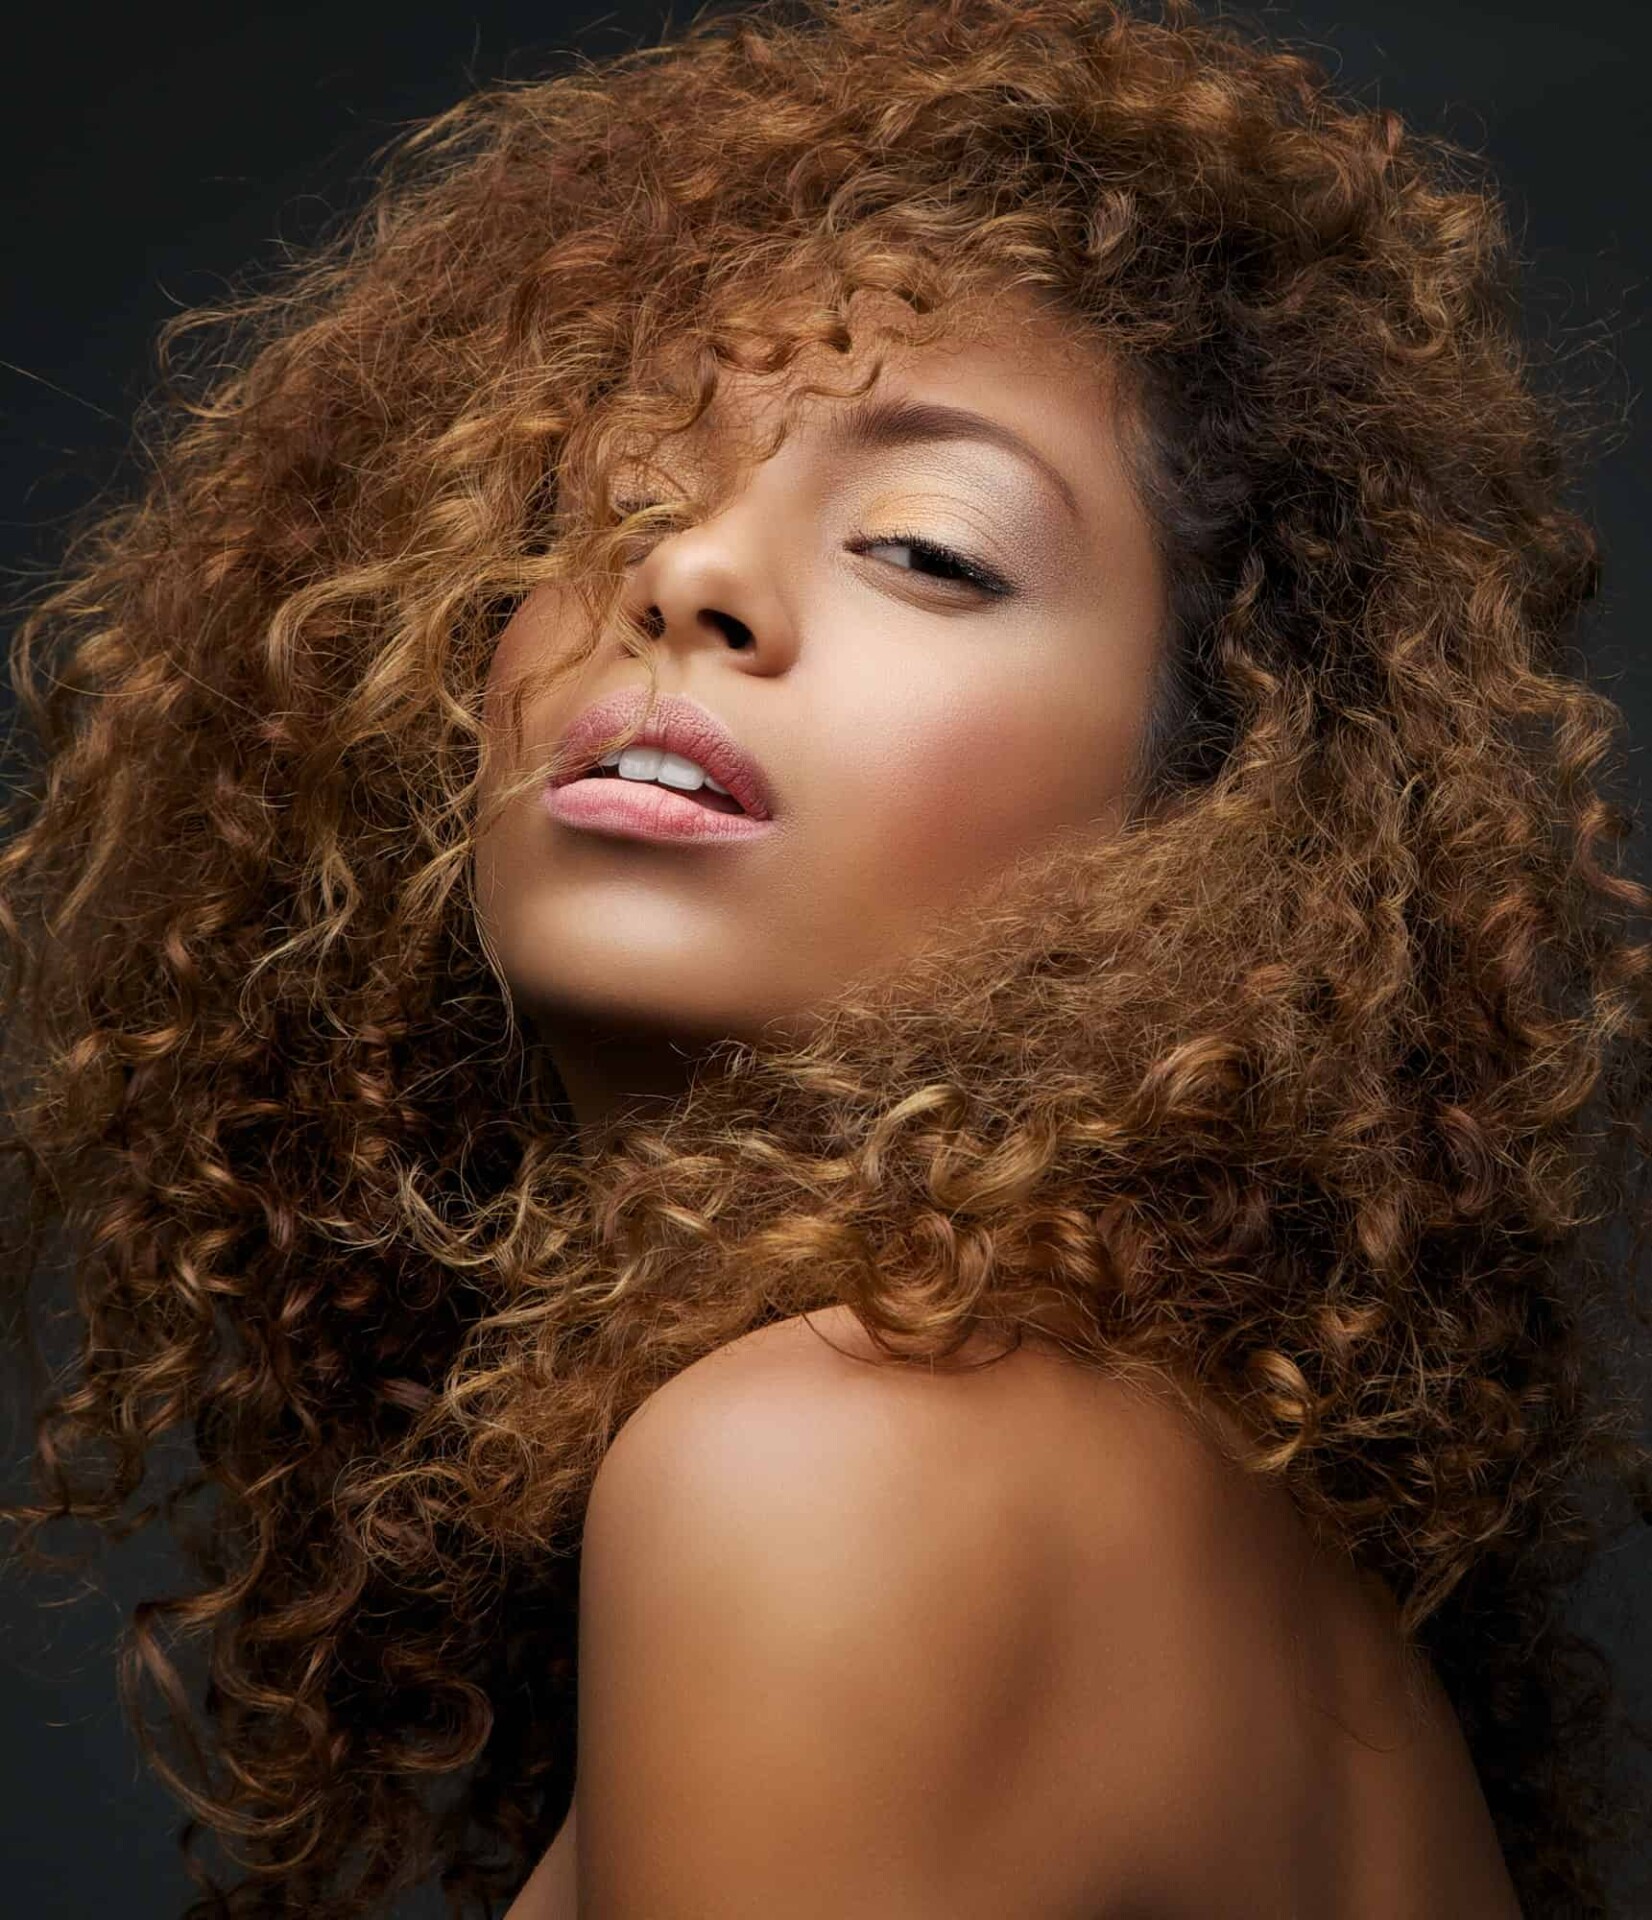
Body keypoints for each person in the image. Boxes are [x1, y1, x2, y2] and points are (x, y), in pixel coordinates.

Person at [2, 0, 1647, 1913]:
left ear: (1225, 808)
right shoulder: (1080, 1472)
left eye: (929, 548)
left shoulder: (850, 1462)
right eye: (620, 497)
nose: (684, 577)